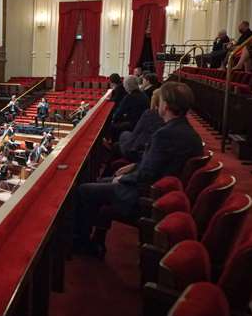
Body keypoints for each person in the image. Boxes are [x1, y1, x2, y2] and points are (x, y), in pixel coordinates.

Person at [74, 81, 203, 258]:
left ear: (165, 105)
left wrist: (123, 179)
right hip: (156, 189)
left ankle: (82, 244)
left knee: (84, 190)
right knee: (98, 183)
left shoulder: (165, 134)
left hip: (144, 194)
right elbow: (157, 163)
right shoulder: (190, 133)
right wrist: (133, 165)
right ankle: (95, 240)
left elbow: (147, 175)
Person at [118, 88, 165, 163]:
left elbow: (135, 134)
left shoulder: (150, 114)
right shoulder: (169, 119)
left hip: (141, 151)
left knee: (123, 135)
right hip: (147, 150)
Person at [109, 75, 149, 139]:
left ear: (127, 86)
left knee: (110, 126)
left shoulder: (129, 97)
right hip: (142, 123)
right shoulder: (143, 94)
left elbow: (119, 112)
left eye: (124, 85)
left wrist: (113, 119)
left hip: (133, 124)